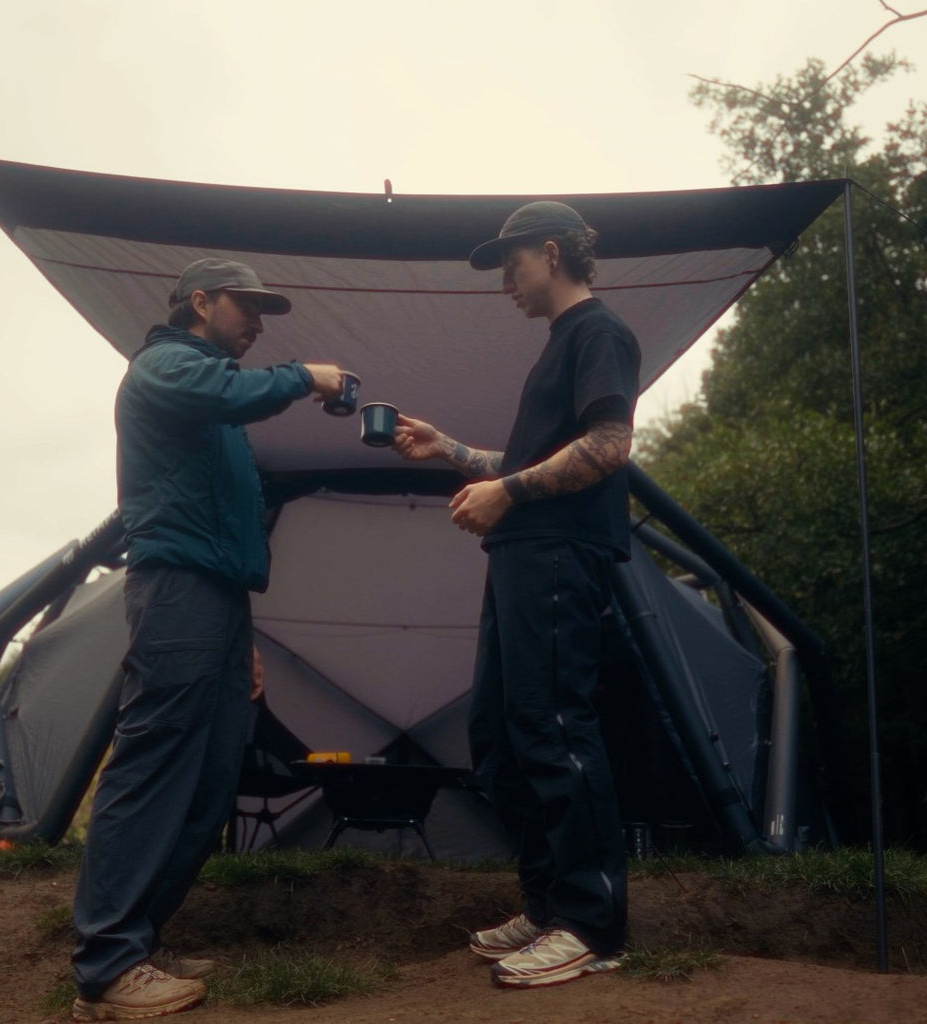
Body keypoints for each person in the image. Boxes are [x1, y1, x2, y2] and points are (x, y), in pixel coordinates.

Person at [71, 258, 345, 1021]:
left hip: (218, 601)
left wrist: (239, 635)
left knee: (214, 769)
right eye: (245, 306)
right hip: (176, 590)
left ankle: (140, 938)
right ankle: (104, 967)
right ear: (200, 302)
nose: (257, 321)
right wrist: (306, 377)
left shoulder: (212, 398)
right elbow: (232, 392)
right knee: (155, 763)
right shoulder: (164, 367)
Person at [390, 202, 640, 989]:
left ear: (553, 252)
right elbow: (533, 456)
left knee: (556, 726)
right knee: (500, 731)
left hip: (563, 554)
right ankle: (547, 905)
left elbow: (609, 446)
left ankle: (593, 924)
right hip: (526, 555)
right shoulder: (562, 346)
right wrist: (453, 452)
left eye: (513, 264)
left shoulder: (601, 333)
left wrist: (507, 495)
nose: (506, 283)